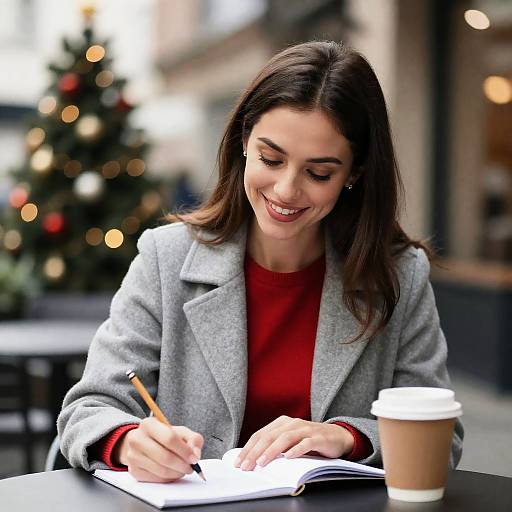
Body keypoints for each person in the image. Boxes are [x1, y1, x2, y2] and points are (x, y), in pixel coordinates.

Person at [57, 40, 464, 483]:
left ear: (354, 175)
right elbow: (87, 410)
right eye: (271, 159)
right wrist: (129, 442)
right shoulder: (166, 258)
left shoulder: (399, 273)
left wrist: (348, 437)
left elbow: (442, 437)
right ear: (244, 142)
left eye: (319, 173)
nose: (287, 190)